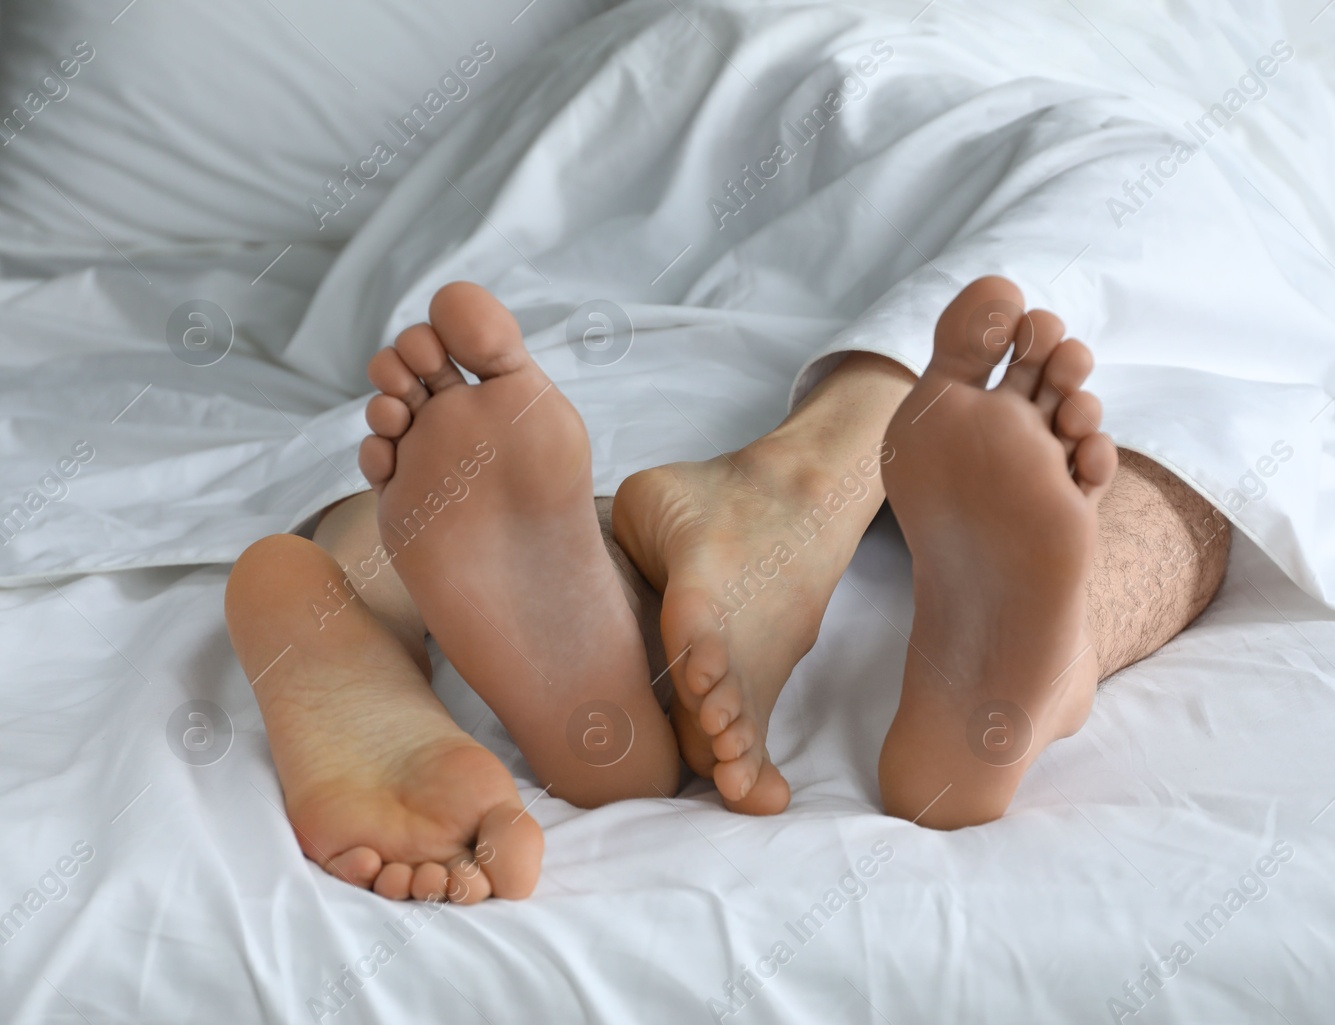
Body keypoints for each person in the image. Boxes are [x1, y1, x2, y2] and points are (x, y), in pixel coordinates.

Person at [223, 275, 1229, 903]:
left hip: (676, 300)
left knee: (433, 463)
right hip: (1085, 216)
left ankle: (360, 598)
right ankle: (1060, 649)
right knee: (1193, 467)